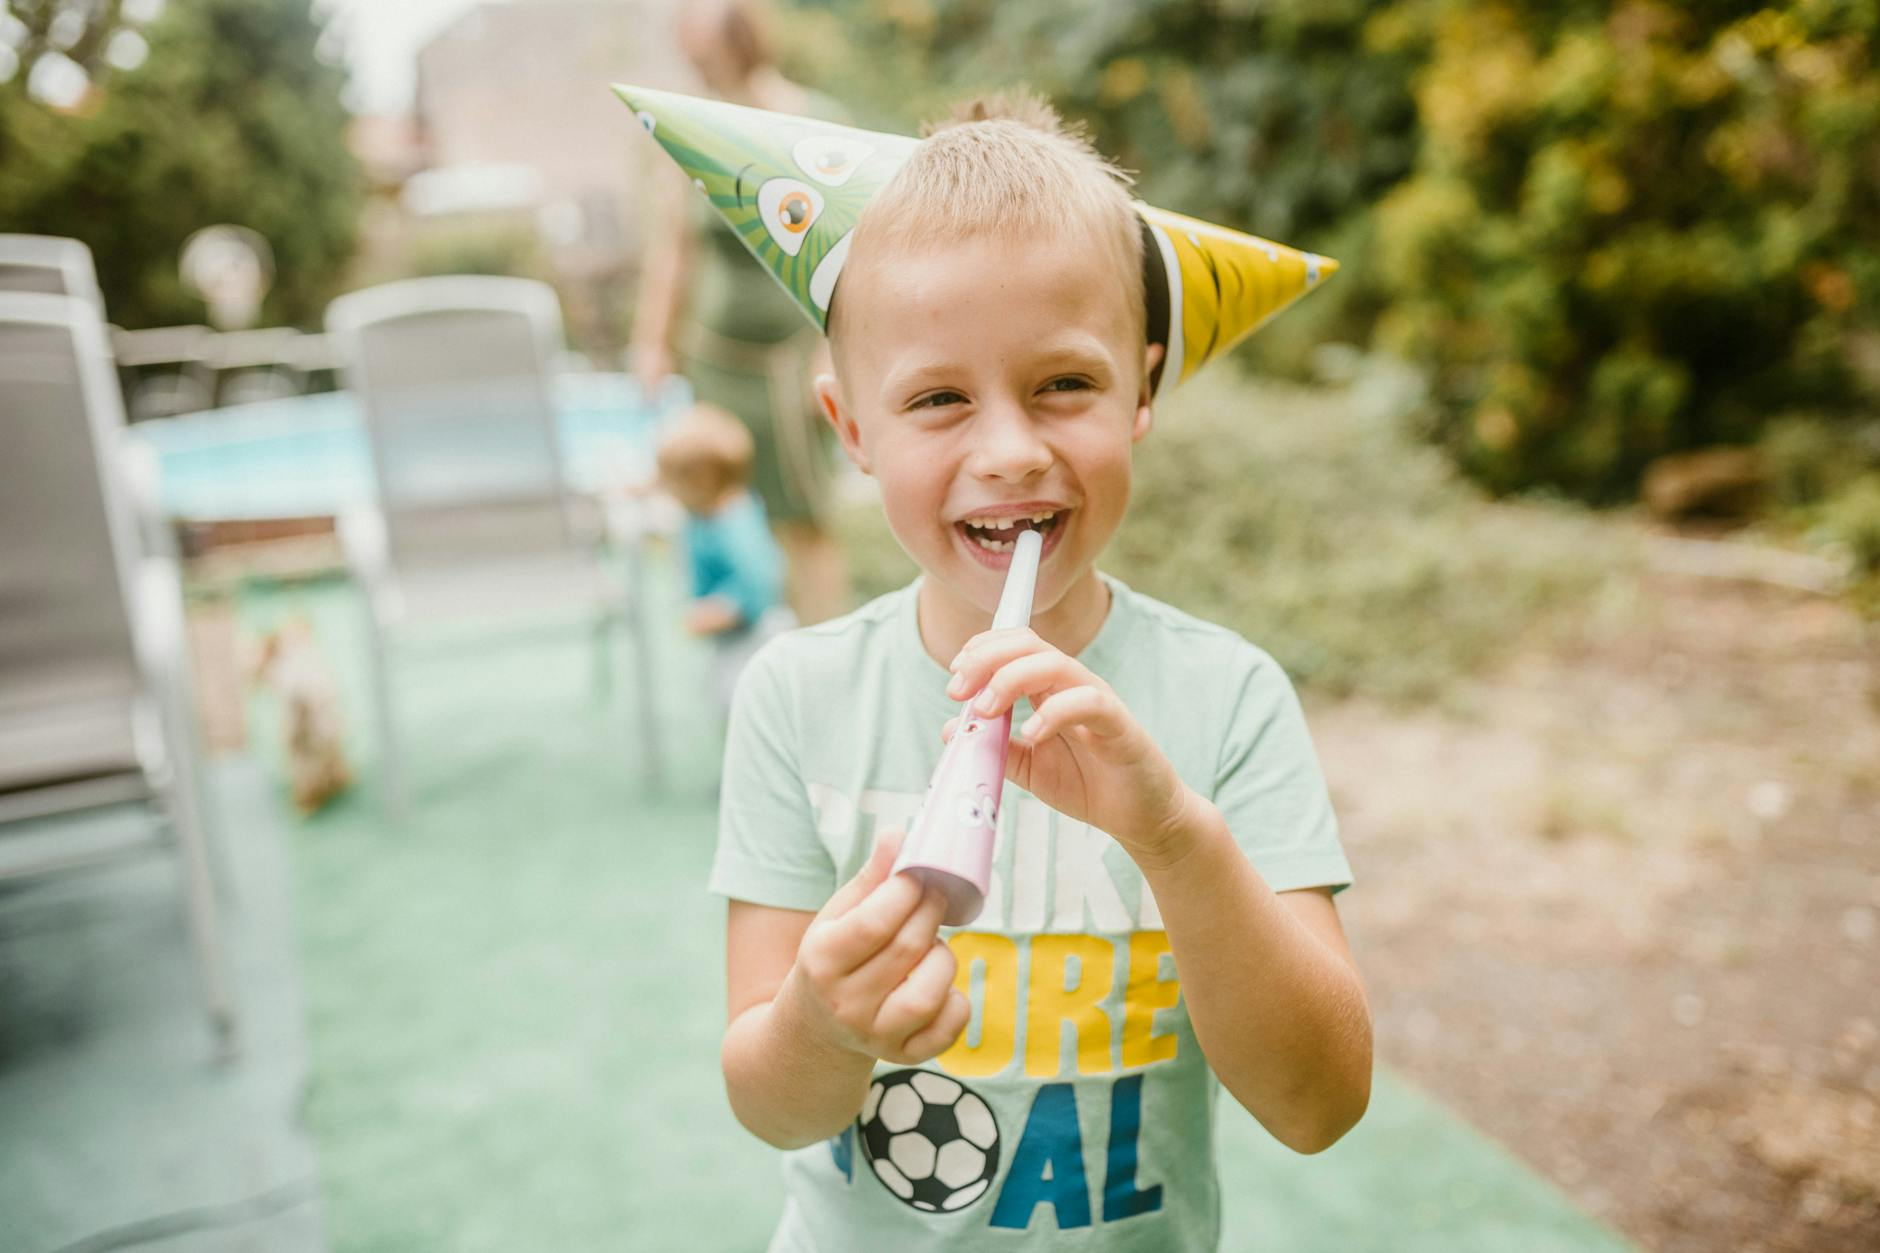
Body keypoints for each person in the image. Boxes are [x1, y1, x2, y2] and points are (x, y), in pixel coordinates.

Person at [707, 93, 1371, 1248]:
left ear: (1142, 389)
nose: (1009, 449)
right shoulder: (797, 695)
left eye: (1063, 383)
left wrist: (1172, 832)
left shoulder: (1226, 699)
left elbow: (1318, 1102)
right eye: (937, 398)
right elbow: (769, 1103)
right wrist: (822, 1020)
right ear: (851, 428)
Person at [630, 0, 852, 625]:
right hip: (714, 363)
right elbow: (673, 247)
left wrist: (830, 349)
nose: (691, 47)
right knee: (723, 522)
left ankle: (825, 654)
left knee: (803, 522)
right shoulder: (691, 127)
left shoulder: (812, 121)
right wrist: (651, 344)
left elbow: (847, 249)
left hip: (788, 368)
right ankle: (757, 667)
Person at [655, 402, 788, 713]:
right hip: (733, 643)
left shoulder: (733, 522)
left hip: (755, 638)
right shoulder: (703, 515)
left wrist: (722, 610)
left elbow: (760, 579)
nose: (668, 490)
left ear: (701, 480)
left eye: (673, 481)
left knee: (753, 708)